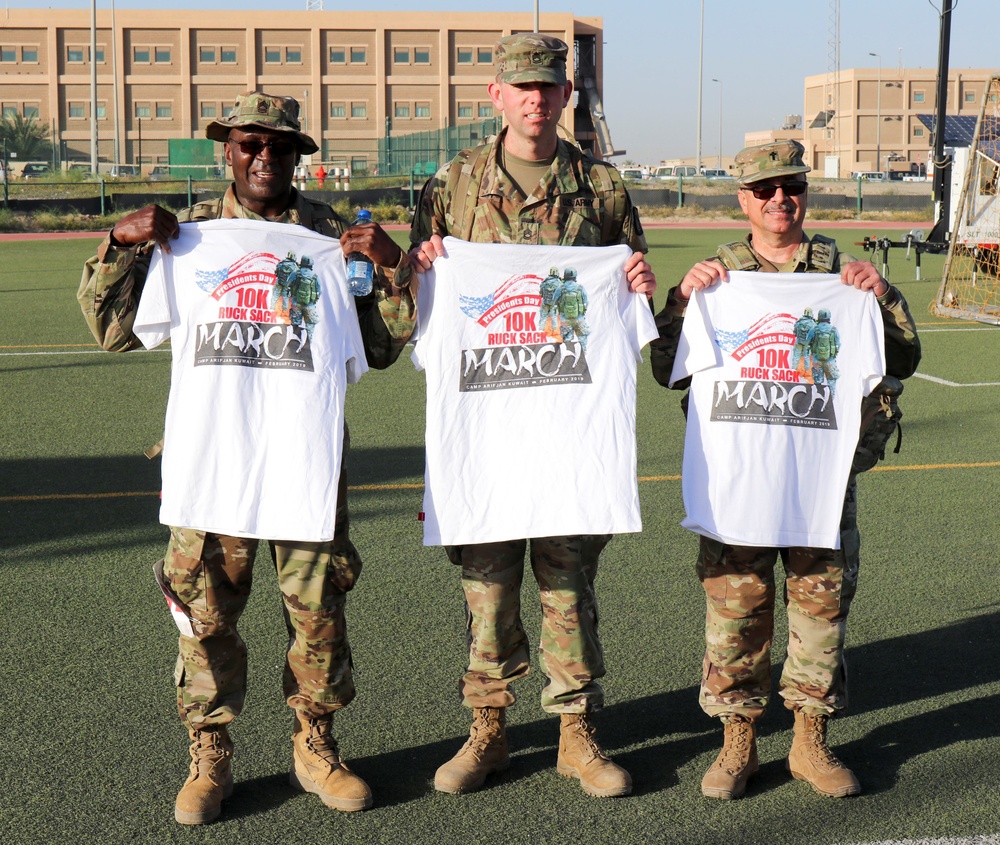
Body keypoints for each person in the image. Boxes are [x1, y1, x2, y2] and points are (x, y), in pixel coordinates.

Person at [77, 91, 416, 824]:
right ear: (225, 149)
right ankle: (209, 753)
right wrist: (118, 242)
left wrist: (388, 269)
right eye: (249, 144)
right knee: (206, 616)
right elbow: (113, 332)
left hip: (305, 462)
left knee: (319, 613)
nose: (264, 158)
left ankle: (316, 745)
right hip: (214, 463)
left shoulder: (334, 238)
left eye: (280, 147)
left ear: (300, 156)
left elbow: (383, 348)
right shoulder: (186, 235)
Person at [408, 33, 656, 799]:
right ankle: (488, 727)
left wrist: (640, 280)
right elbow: (413, 313)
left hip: (566, 435)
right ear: (497, 94)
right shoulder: (451, 187)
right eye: (522, 86)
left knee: (567, 583)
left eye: (549, 86)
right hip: (483, 435)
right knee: (485, 584)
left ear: (565, 96)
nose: (536, 98)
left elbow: (635, 299)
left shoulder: (603, 190)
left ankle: (576, 731)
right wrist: (414, 274)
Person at [649, 140, 921, 800]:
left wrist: (881, 294)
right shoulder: (716, 277)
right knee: (734, 609)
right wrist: (684, 303)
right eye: (765, 189)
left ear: (805, 191)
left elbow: (904, 359)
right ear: (742, 198)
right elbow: (665, 368)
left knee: (821, 607)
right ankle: (737, 738)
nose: (780, 199)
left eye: (791, 186)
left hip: (816, 478)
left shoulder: (839, 272)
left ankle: (809, 739)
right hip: (737, 477)